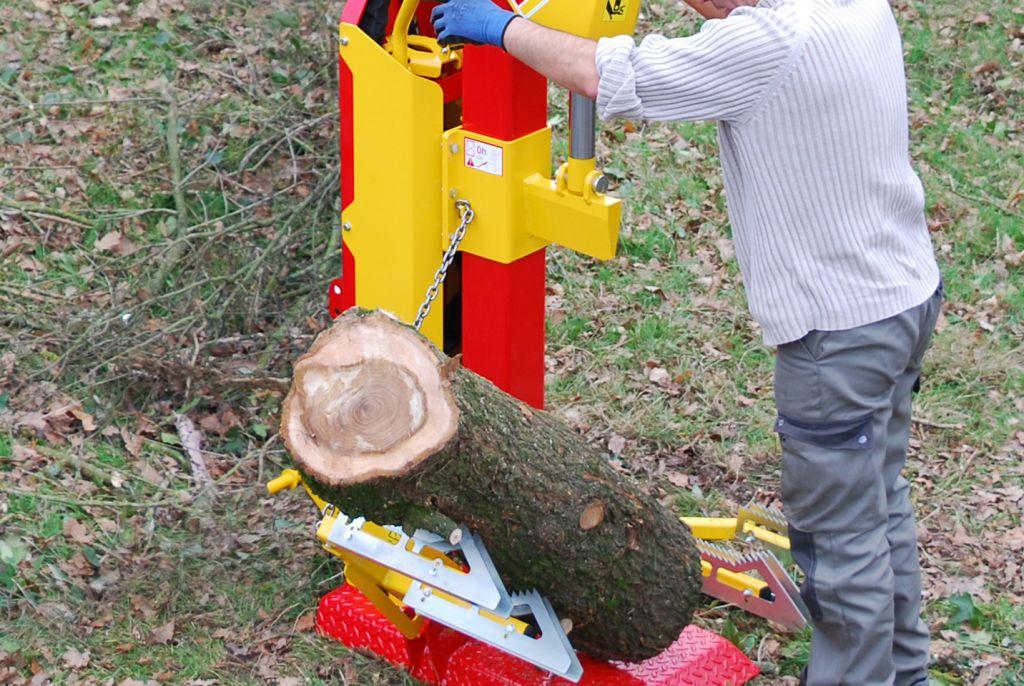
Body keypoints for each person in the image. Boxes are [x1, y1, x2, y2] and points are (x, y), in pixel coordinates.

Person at [429, 0, 943, 684]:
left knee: (841, 551)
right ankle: (905, 675)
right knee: (880, 510)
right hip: (906, 299)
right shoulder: (856, 7)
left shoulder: (769, 44)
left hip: (838, 339)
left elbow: (601, 73)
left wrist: (503, 29)